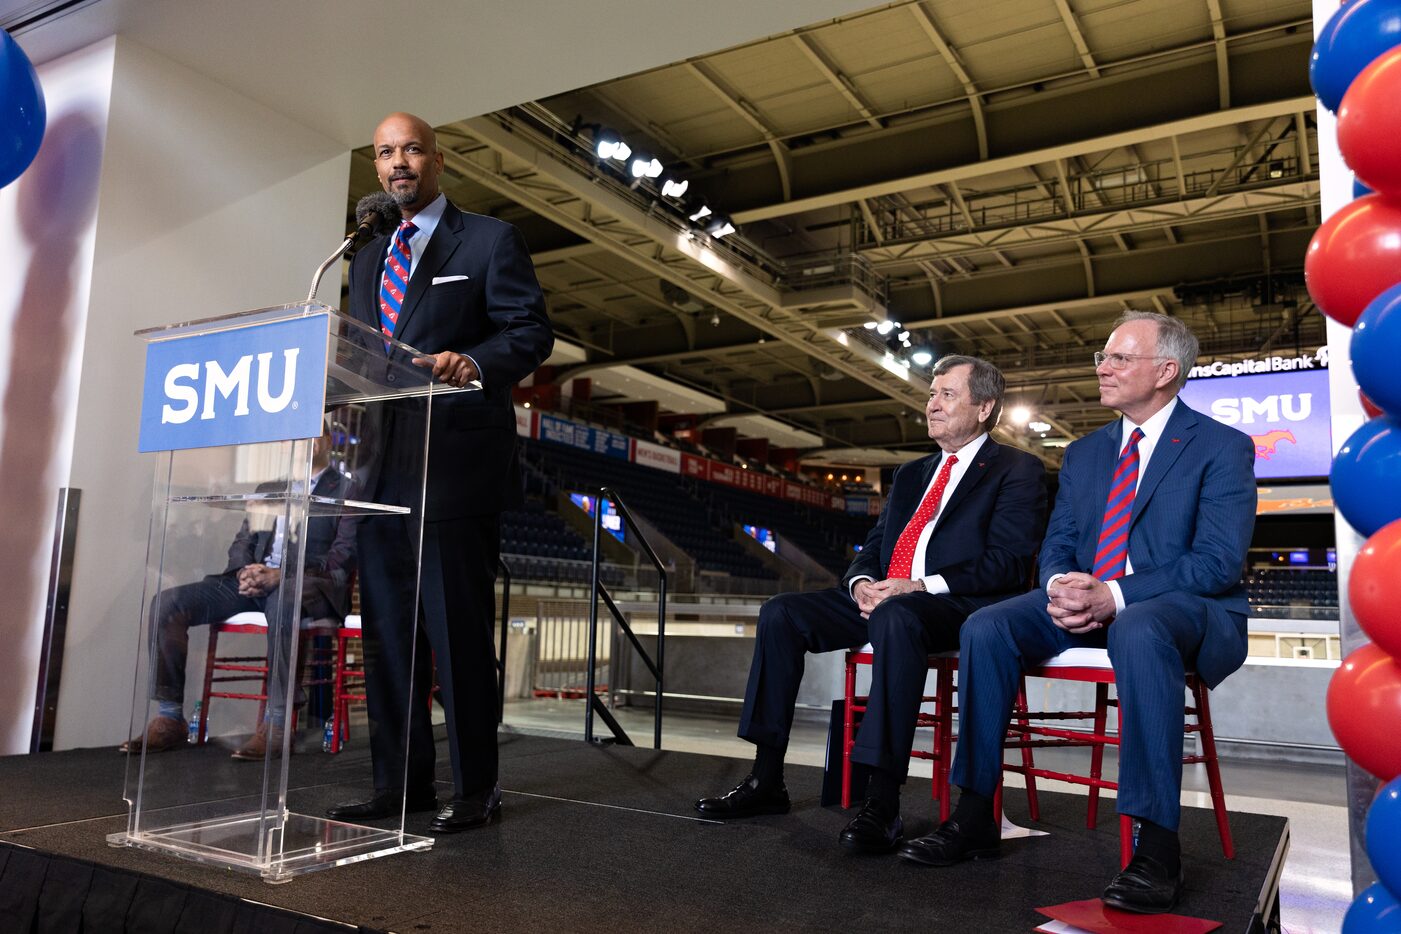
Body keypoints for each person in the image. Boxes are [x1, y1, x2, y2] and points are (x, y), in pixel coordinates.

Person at [902, 312, 1256, 915]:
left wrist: (1114, 595)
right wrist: (1060, 585)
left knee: (1140, 628)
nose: (1102, 367)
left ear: (1166, 370)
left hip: (1184, 610)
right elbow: (1060, 540)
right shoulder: (1087, 452)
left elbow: (1217, 562)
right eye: (1102, 356)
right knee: (985, 624)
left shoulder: (1221, 447)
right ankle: (974, 812)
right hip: (1085, 596)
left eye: (1119, 358)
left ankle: (1155, 846)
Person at [694, 355, 1047, 854]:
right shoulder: (910, 474)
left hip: (956, 605)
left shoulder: (1017, 469)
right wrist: (861, 581)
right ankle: (766, 778)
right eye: (931, 393)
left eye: (948, 394)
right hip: (886, 597)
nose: (933, 404)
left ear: (985, 407)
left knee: (896, 616)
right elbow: (876, 546)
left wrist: (918, 587)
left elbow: (1008, 564)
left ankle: (881, 803)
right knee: (781, 612)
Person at [326, 112, 553, 833]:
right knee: (389, 640)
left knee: (455, 639)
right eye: (387, 153)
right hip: (378, 473)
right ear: (377, 166)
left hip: (453, 468)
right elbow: (361, 352)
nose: (400, 163)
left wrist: (475, 362)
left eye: (412, 149)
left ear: (438, 160)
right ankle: (399, 787)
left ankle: (475, 790)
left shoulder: (488, 239)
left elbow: (529, 332)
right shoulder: (364, 259)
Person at [120, 429, 356, 759]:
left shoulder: (346, 489)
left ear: (328, 441)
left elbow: (340, 558)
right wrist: (246, 570)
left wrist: (280, 575)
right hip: (252, 581)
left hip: (308, 586)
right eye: (296, 435)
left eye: (314, 434)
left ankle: (277, 722)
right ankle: (170, 716)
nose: (303, 441)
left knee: (284, 598)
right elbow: (243, 541)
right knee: (168, 603)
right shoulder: (269, 488)